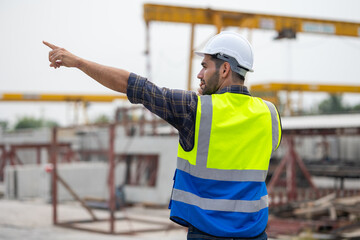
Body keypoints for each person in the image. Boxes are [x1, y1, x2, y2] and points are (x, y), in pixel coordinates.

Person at [44, 31, 282, 240]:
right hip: (254, 234)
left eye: (205, 66)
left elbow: (134, 86)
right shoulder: (270, 115)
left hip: (208, 233)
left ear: (225, 69)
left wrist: (79, 62)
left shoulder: (195, 109)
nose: (199, 74)